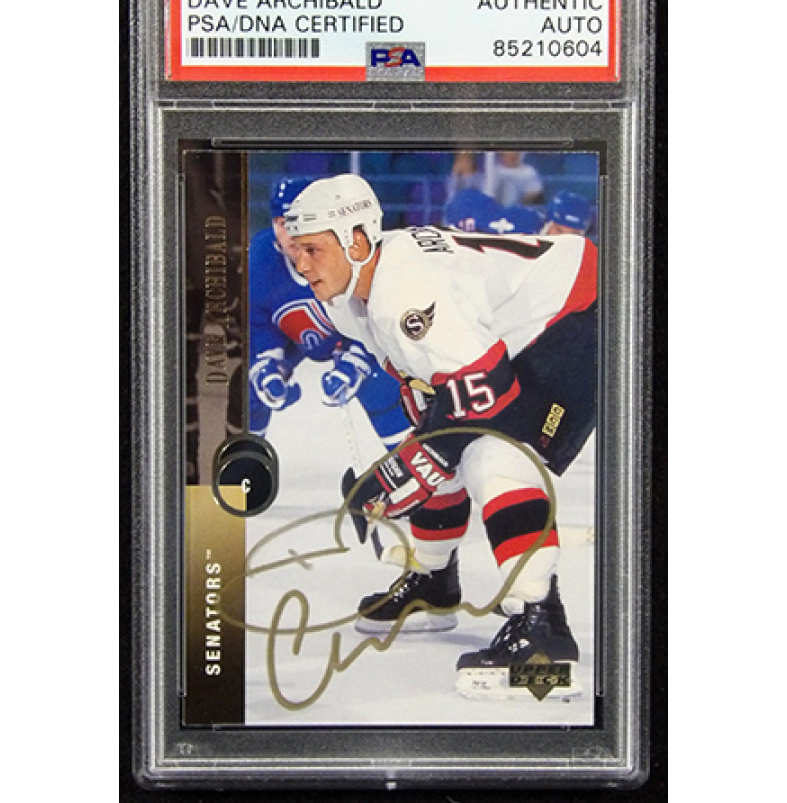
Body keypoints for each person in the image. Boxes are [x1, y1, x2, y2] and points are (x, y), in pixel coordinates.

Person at [284, 174, 597, 698]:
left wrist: (401, 469)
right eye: (296, 250)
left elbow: (486, 395)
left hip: (582, 313)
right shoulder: (352, 290)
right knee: (435, 437)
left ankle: (543, 625)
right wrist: (417, 449)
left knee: (492, 454)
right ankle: (434, 582)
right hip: (523, 326)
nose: (301, 264)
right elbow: (424, 377)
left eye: (312, 249)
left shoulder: (406, 287)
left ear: (356, 242)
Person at [245, 178, 411, 453]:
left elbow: (377, 312)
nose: (291, 234)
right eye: (282, 223)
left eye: (298, 223)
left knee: (379, 385)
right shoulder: (261, 256)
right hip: (295, 336)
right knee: (247, 385)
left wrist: (357, 357)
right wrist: (267, 362)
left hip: (357, 334)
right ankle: (244, 461)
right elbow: (258, 317)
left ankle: (410, 460)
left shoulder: (347, 251)